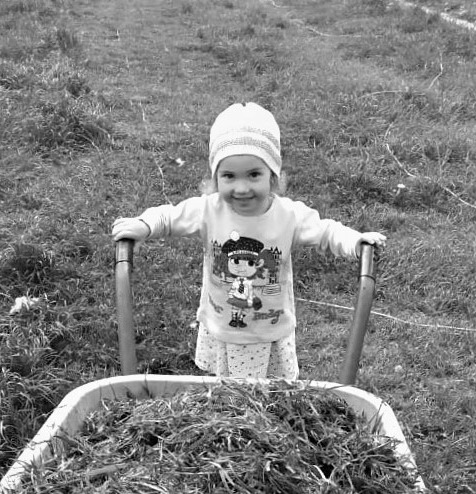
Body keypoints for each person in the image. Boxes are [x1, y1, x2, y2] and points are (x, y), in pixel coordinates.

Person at [112, 101, 386, 380]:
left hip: (269, 329)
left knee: (267, 393)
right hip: (223, 325)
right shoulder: (208, 210)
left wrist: (356, 241)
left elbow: (326, 231)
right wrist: (145, 225)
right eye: (229, 176)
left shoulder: (289, 215)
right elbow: (170, 217)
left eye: (254, 174)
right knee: (226, 389)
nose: (241, 188)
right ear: (216, 178)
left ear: (273, 176)